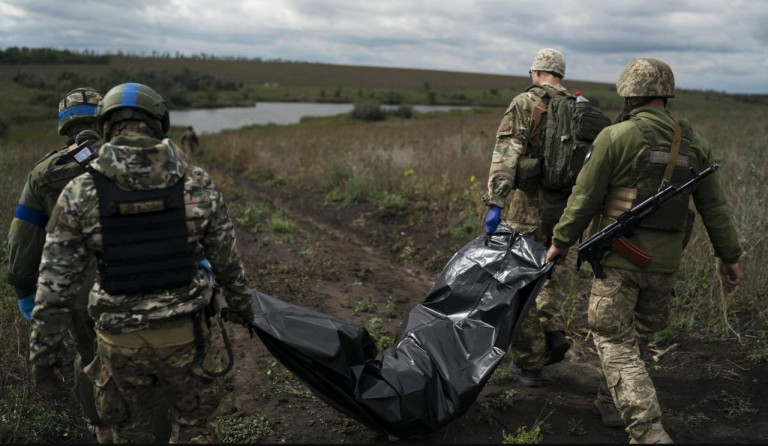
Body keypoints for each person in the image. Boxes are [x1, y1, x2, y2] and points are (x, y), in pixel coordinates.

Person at [28, 82, 255, 443]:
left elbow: (55, 288)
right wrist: (244, 309)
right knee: (196, 429)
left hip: (119, 344)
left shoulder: (80, 192)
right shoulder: (197, 183)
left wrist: (43, 361)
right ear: (160, 122)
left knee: (130, 432)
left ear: (105, 126)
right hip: (187, 337)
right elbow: (228, 264)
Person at [546, 58, 743, 444]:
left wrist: (560, 242)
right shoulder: (695, 144)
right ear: (665, 94)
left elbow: (585, 197)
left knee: (612, 339)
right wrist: (729, 257)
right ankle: (610, 406)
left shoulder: (616, 136)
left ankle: (648, 430)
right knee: (630, 340)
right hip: (664, 266)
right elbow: (714, 209)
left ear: (630, 93)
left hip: (621, 260)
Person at [6, 87, 116, 441]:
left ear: (64, 126)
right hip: (136, 282)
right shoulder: (131, 158)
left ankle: (101, 430)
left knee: (88, 356)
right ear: (103, 119)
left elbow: (23, 240)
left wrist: (25, 288)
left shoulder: (43, 173)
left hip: (77, 292)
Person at [482, 48, 574, 387]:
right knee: (547, 275)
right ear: (560, 75)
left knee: (516, 281)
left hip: (528, 208)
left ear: (535, 72)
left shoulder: (525, 103)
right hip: (565, 211)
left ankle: (529, 363)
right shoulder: (578, 107)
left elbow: (507, 152)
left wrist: (495, 203)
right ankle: (552, 332)